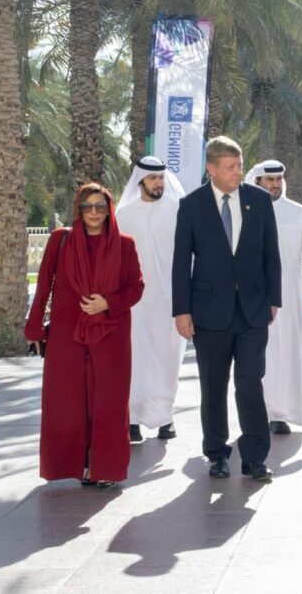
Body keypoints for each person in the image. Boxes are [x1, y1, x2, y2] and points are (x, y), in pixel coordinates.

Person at [172, 136, 282, 483]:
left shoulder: (259, 200)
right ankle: (217, 454)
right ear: (212, 169)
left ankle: (255, 458)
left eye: (239, 166)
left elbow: (272, 253)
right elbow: (181, 262)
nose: (237, 172)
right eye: (230, 167)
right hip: (209, 312)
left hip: (253, 310)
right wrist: (181, 310)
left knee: (250, 383)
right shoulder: (191, 205)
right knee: (213, 386)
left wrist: (274, 299)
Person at [26, 183, 144, 488]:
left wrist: (108, 303)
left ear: (109, 209)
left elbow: (136, 288)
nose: (94, 212)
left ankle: (106, 469)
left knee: (109, 403)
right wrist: (34, 327)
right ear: (79, 209)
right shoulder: (60, 240)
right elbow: (44, 284)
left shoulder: (125, 245)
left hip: (111, 334)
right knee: (68, 402)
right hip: (67, 334)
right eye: (87, 206)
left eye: (100, 206)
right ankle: (77, 465)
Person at [244, 159, 302, 435]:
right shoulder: (243, 210)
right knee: (258, 355)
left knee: (290, 352)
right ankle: (261, 411)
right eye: (269, 180)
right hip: (253, 298)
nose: (275, 184)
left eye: (278, 179)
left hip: (290, 298)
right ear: (257, 181)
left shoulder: (298, 213)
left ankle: (282, 413)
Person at [116, 156, 187, 443]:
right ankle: (132, 419)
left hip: (171, 300)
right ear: (140, 181)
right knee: (136, 358)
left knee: (169, 357)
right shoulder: (124, 215)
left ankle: (165, 417)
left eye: (161, 178)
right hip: (136, 302)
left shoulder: (177, 210)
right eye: (153, 178)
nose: (158, 183)